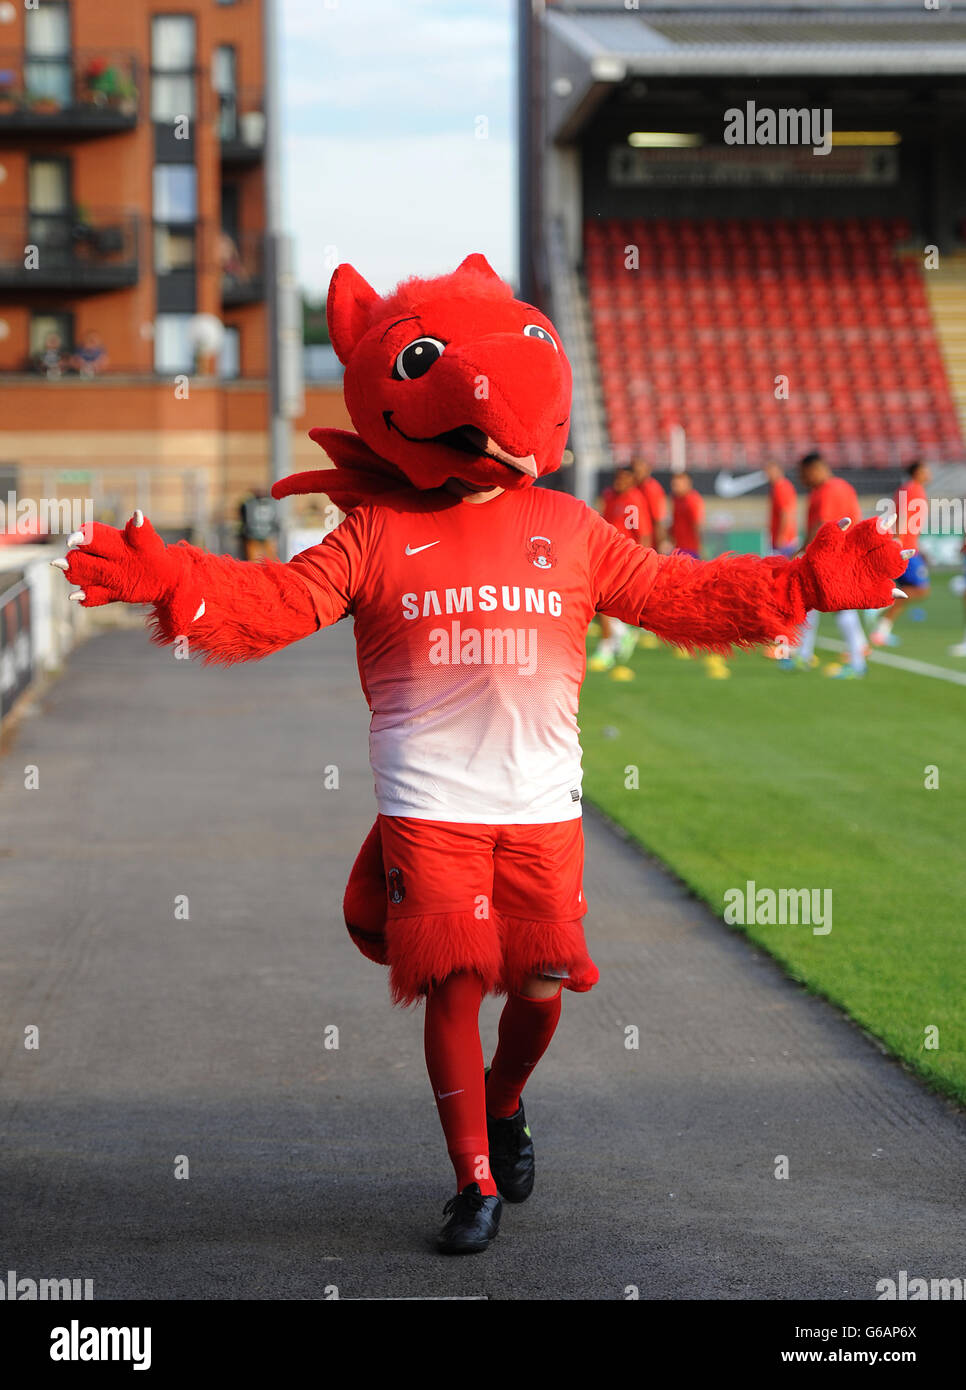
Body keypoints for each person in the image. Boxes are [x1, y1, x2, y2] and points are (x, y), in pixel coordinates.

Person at [54, 254, 905, 1255]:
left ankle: (505, 1103)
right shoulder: (376, 530)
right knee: (455, 985)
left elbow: (678, 596)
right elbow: (275, 605)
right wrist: (176, 579)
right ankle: (472, 1180)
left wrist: (796, 585)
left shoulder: (571, 526)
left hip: (543, 804)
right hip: (432, 803)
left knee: (541, 990)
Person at [791, 452, 874, 679]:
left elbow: (822, 525)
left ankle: (857, 662)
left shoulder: (830, 490)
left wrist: (803, 552)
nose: (802, 479)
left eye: (803, 473)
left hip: (836, 557)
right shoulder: (830, 489)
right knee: (810, 603)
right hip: (835, 557)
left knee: (840, 608)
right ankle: (803, 654)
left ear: (815, 469)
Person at [590, 466, 649, 670]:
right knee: (599, 602)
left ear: (631, 480)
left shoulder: (634, 500)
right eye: (618, 478)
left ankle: (606, 649)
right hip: (607, 556)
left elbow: (643, 532)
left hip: (625, 560)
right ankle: (620, 634)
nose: (619, 482)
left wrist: (643, 562)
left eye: (624, 478)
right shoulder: (610, 496)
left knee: (600, 600)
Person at [869, 460, 930, 647]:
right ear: (917, 472)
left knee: (905, 592)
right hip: (906, 549)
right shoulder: (914, 489)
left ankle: (881, 631)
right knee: (921, 590)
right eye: (925, 469)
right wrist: (899, 543)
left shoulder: (906, 489)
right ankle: (881, 602)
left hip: (907, 546)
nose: (928, 473)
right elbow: (903, 517)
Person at [630, 456, 669, 551]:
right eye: (635, 471)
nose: (637, 474)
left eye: (640, 471)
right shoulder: (633, 488)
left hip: (649, 543)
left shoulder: (651, 489)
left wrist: (660, 543)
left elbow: (658, 519)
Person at [766, 460, 799, 557]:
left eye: (770, 471)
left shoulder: (782, 488)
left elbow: (786, 513)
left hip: (784, 541)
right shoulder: (777, 487)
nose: (768, 475)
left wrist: (781, 536)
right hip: (781, 539)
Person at [670, 471, 704, 558]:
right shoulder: (676, 499)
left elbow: (697, 526)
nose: (675, 487)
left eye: (678, 484)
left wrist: (701, 549)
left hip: (690, 550)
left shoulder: (692, 500)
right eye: (674, 484)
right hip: (678, 548)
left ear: (688, 484)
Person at [239, 489, 279, 561]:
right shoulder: (273, 504)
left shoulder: (248, 503)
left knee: (255, 560)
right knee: (268, 560)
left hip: (254, 534)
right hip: (263, 534)